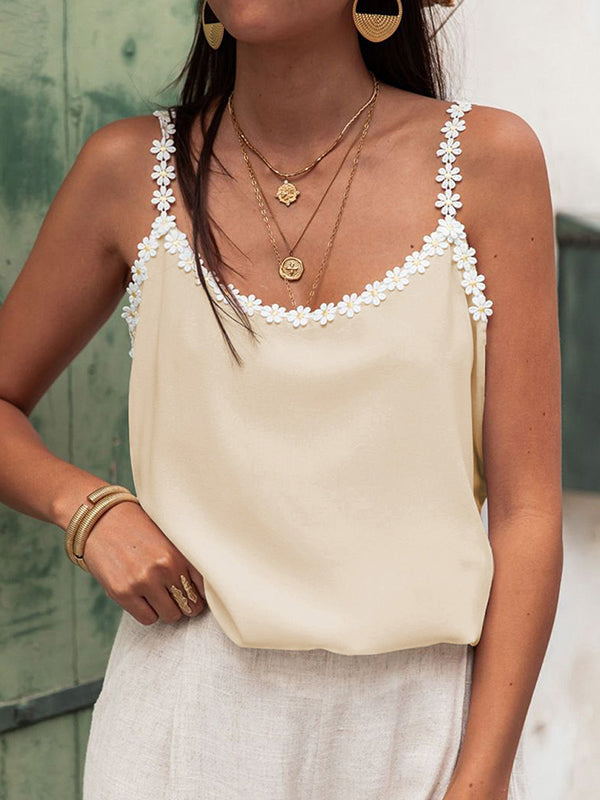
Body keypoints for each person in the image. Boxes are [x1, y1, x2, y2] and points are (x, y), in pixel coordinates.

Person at [0, 1, 563, 798]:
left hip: (416, 729)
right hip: (182, 726)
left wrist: (484, 776)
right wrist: (85, 508)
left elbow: (527, 512)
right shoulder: (126, 171)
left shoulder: (488, 163)